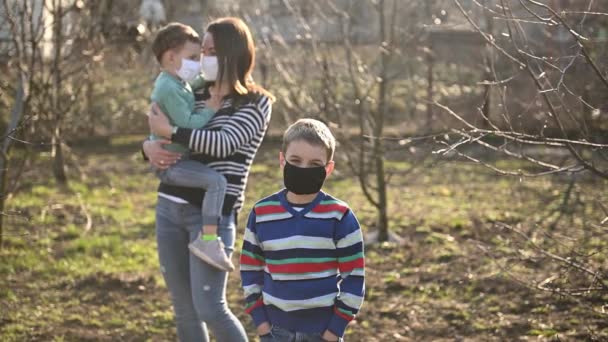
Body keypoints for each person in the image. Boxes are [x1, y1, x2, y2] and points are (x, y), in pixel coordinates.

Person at [144, 17, 275, 342]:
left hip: (212, 219)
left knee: (210, 308)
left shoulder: (255, 102)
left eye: (212, 51)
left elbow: (223, 142)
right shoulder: (193, 90)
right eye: (202, 50)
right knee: (184, 309)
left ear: (234, 53)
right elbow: (160, 130)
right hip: (169, 206)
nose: (204, 58)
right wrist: (146, 146)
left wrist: (171, 131)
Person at [240, 119, 366, 342]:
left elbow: (354, 278)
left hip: (322, 331)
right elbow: (250, 272)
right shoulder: (262, 213)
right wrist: (261, 325)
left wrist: (333, 332)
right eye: (295, 160)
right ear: (282, 160)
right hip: (274, 330)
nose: (303, 169)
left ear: (328, 169)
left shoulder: (340, 216)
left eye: (314, 163)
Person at [149, 22, 234, 272]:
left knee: (215, 182)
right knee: (216, 182)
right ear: (172, 57)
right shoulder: (168, 88)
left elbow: (195, 84)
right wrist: (211, 108)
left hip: (176, 160)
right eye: (193, 57)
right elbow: (187, 125)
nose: (198, 64)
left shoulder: (176, 81)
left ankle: (208, 238)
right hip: (171, 165)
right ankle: (208, 240)